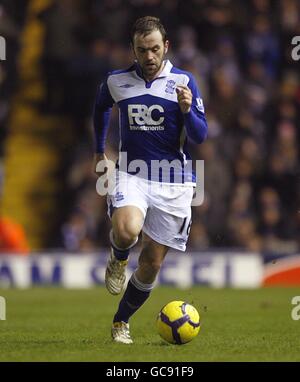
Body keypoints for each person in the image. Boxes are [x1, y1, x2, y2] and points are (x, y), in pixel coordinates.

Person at [93, 16, 208, 344]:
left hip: (174, 182)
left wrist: (188, 111)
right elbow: (101, 106)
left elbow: (200, 135)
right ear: (133, 49)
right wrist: (98, 149)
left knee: (152, 263)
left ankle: (121, 321)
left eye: (155, 48)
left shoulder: (184, 82)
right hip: (132, 173)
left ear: (166, 47)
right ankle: (118, 255)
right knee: (127, 229)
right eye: (142, 50)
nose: (149, 56)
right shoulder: (117, 81)